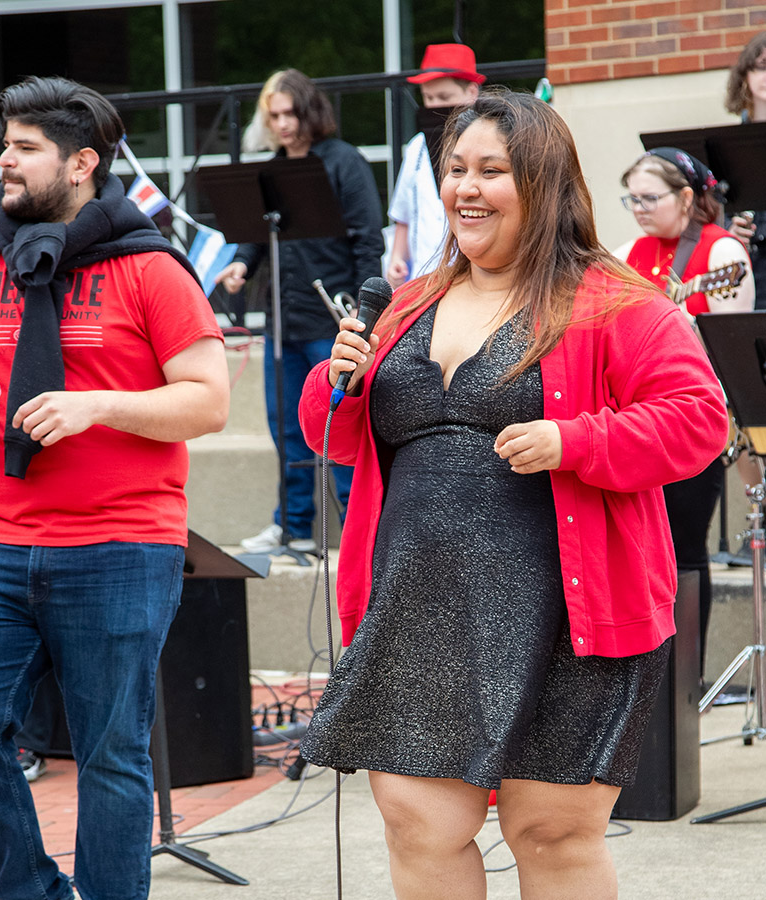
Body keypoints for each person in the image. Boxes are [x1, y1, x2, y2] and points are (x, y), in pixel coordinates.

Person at [297, 90, 727, 899]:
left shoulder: (615, 303)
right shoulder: (412, 302)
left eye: (491, 170)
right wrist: (338, 379)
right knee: (418, 824)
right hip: (420, 607)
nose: (466, 187)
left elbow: (699, 420)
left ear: (544, 184)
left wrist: (577, 440)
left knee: (552, 834)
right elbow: (335, 433)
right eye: (454, 169)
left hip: (572, 616)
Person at [0, 75, 229, 900]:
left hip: (123, 544)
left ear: (83, 162)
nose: (4, 162)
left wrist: (99, 405)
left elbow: (208, 398)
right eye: (5, 144)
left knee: (108, 752)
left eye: (24, 148)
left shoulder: (150, 267)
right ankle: (32, 891)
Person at [215, 68, 384, 555]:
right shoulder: (269, 167)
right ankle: (293, 527)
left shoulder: (343, 161)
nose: (283, 124)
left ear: (309, 111)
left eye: (290, 113)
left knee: (344, 425)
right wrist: (242, 265)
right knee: (284, 425)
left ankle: (358, 534)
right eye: (274, 115)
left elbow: (366, 240)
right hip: (282, 318)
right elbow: (255, 234)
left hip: (333, 321)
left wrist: (366, 315)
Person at [614, 147, 754, 668]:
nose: (640, 208)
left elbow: (727, 353)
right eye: (632, 198)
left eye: (650, 198)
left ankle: (686, 676)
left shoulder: (721, 256)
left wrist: (677, 323)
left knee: (686, 550)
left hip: (691, 424)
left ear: (688, 197)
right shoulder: (627, 252)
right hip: (632, 421)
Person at [385, 43, 484, 289]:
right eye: (428, 98)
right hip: (423, 280)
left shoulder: (487, 144)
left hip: (472, 279)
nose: (434, 106)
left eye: (444, 98)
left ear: (472, 92)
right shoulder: (417, 148)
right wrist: (397, 256)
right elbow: (404, 215)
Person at [726, 31, 766, 310]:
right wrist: (729, 232)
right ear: (745, 76)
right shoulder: (726, 144)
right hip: (750, 271)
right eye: (762, 66)